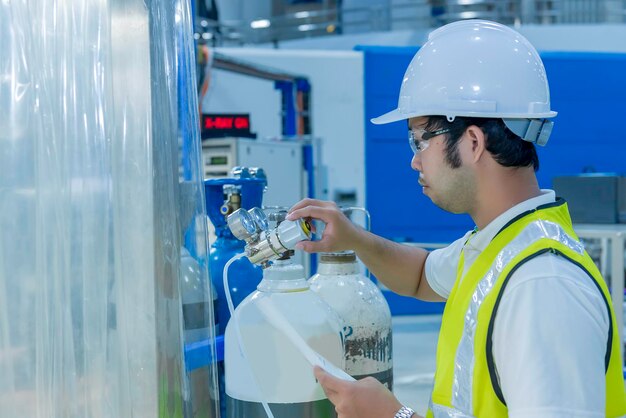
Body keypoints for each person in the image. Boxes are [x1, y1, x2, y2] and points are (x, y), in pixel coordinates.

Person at [286, 20, 626, 418]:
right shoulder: (499, 246)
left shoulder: (541, 285)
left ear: (473, 142)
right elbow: (419, 275)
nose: (414, 160)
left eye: (419, 139)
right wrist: (353, 238)